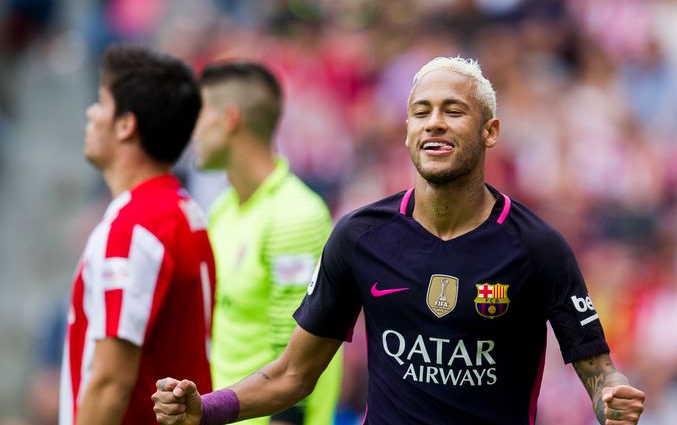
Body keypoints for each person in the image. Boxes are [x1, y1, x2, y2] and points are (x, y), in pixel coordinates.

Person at [153, 56, 645, 424]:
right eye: (421, 111)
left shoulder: (538, 247)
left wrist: (612, 402)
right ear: (407, 131)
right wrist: (207, 409)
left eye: (453, 110)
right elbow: (293, 374)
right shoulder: (360, 237)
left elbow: (600, 375)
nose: (434, 121)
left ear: (490, 131)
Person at [60, 44, 216, 425]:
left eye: (101, 102)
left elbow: (111, 383)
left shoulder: (135, 227)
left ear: (126, 125)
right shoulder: (183, 210)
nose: (90, 113)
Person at [192, 61, 342, 425]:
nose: (191, 133)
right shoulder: (223, 210)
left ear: (229, 120)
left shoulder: (296, 216)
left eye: (197, 117)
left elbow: (294, 370)